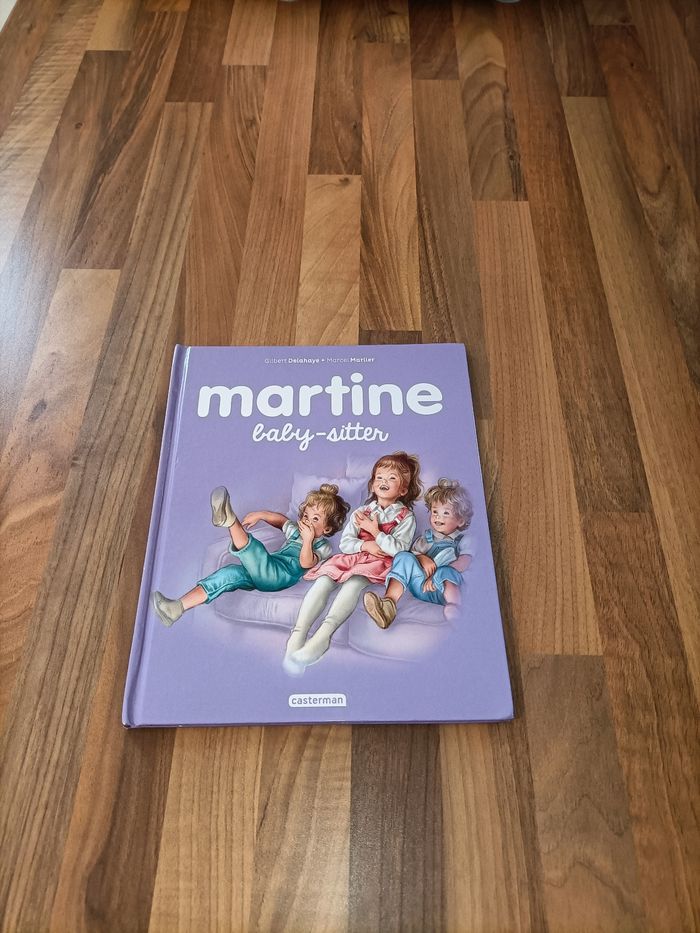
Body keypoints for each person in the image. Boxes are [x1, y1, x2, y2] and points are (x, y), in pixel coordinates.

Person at [284, 452, 422, 673]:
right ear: (372, 484)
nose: (384, 482)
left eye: (392, 478)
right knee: (324, 579)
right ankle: (298, 634)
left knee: (354, 582)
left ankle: (323, 636)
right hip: (355, 557)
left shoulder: (406, 517)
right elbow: (346, 543)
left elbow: (399, 550)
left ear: (403, 490)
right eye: (379, 477)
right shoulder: (362, 512)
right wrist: (365, 545)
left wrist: (375, 532)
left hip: (379, 564)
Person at [152, 483, 350, 626]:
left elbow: (307, 563)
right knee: (229, 573)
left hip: (279, 576)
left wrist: (307, 540)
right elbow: (281, 521)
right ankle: (176, 608)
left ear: (327, 528)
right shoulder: (296, 531)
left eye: (315, 519)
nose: (307, 521)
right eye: (306, 516)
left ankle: (229, 521)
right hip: (268, 567)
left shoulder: (322, 546)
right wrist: (261, 515)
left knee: (257, 553)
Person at [363, 478, 473, 627]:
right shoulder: (426, 538)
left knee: (446, 571)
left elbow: (464, 562)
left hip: (444, 589)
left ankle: (455, 607)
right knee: (403, 556)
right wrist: (422, 558)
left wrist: (435, 577)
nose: (437, 517)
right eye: (435, 511)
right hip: (422, 585)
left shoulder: (464, 540)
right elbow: (412, 554)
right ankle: (388, 605)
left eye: (446, 513)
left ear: (460, 520)